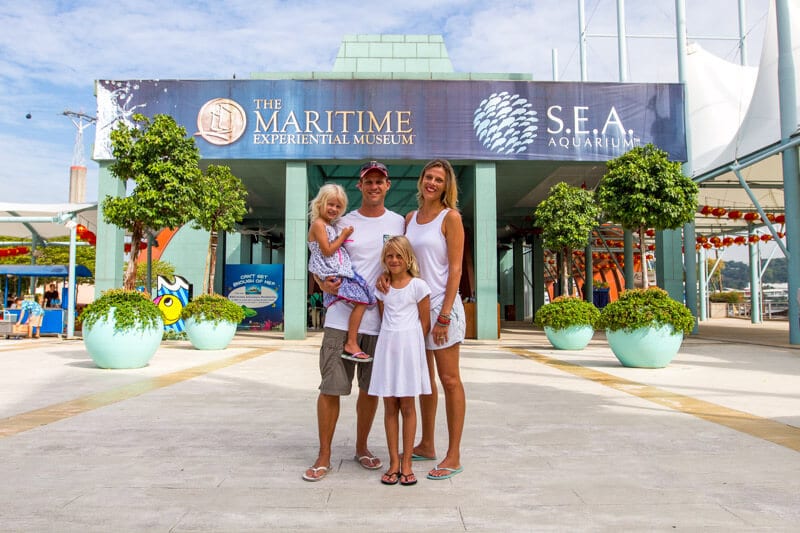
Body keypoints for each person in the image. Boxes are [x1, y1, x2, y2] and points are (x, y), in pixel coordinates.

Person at [302, 160, 406, 482]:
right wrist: (320, 281)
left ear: (388, 186)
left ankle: (362, 447)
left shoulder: (399, 222)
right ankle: (324, 455)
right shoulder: (340, 220)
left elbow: (407, 261)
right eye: (368, 182)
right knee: (331, 388)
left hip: (380, 321)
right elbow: (318, 256)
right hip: (339, 318)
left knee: (370, 391)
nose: (374, 186)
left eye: (380, 181)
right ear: (359, 186)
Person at [404, 158, 467, 480]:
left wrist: (444, 316)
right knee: (424, 381)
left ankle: (453, 454)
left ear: (446, 186)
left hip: (444, 308)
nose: (431, 183)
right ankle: (426, 443)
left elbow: (455, 269)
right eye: (428, 177)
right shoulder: (410, 219)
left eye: (438, 180)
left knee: (450, 379)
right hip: (417, 309)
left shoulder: (450, 218)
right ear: (421, 180)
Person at [368, 236, 431, 486]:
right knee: (390, 407)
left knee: (408, 406)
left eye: (399, 256)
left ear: (408, 259)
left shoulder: (418, 286)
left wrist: (412, 348)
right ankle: (394, 461)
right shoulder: (382, 288)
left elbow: (424, 323)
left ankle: (407, 463)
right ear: (384, 260)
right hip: (387, 349)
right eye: (389, 256)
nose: (394, 260)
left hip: (409, 351)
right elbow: (385, 319)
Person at [307, 183, 376, 361]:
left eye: (338, 206)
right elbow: (328, 250)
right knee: (362, 300)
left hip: (337, 272)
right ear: (320, 203)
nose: (334, 209)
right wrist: (343, 236)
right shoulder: (318, 225)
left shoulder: (330, 225)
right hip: (333, 272)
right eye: (330, 204)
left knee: (364, 296)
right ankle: (351, 342)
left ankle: (352, 341)